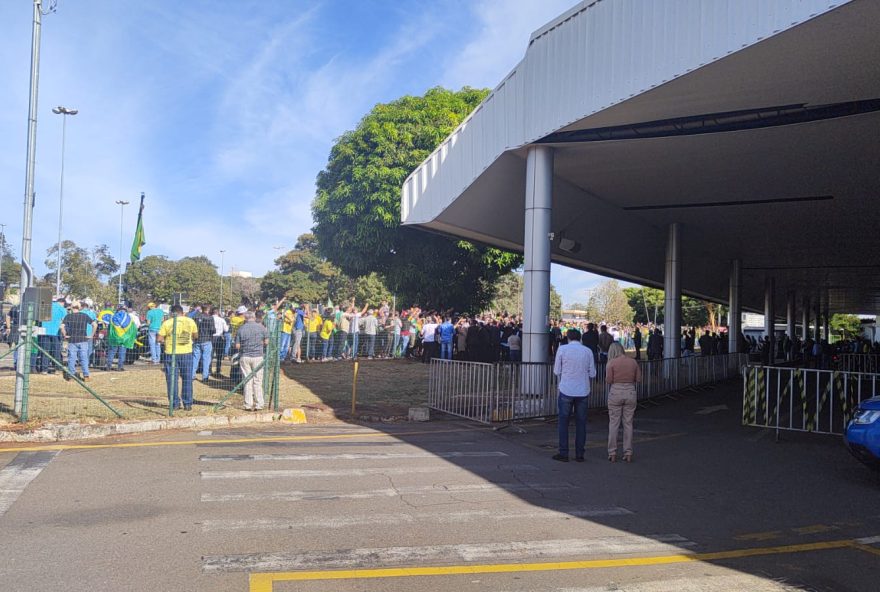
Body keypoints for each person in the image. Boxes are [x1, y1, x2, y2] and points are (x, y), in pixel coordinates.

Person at [553, 328, 596, 462]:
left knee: (563, 422)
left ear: (568, 338)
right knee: (581, 423)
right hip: (583, 390)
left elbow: (556, 371)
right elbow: (593, 373)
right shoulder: (587, 351)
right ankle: (579, 454)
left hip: (566, 389)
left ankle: (564, 453)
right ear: (580, 338)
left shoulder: (562, 349)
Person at [605, 342, 641, 463]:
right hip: (630, 392)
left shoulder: (611, 363)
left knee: (614, 423)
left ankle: (612, 452)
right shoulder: (633, 362)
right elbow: (639, 379)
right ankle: (628, 452)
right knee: (628, 423)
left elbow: (609, 380)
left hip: (616, 391)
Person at [157, 304, 198, 410]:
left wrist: (165, 340)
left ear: (172, 313)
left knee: (172, 379)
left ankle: (174, 403)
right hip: (186, 352)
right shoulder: (190, 321)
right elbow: (195, 335)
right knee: (187, 378)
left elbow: (159, 338)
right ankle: (188, 403)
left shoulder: (167, 323)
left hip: (171, 352)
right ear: (182, 312)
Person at [235, 311, 269, 411]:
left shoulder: (241, 329)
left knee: (247, 381)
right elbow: (267, 342)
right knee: (258, 381)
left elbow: (237, 345)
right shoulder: (261, 327)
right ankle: (259, 403)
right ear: (254, 317)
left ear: (245, 318)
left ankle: (248, 404)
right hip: (258, 356)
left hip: (245, 356)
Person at [60, 301, 96, 381]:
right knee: (84, 358)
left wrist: (65, 335)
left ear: (72, 308)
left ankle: (71, 375)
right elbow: (94, 324)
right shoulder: (84, 316)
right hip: (83, 339)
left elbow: (62, 327)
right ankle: (86, 375)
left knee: (72, 358)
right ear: (79, 308)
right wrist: (92, 335)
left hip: (72, 340)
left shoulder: (68, 316)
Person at [106, 306, 136, 371]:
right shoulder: (129, 318)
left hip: (114, 338)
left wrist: (109, 336)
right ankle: (120, 367)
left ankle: (108, 366)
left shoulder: (113, 317)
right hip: (124, 339)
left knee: (111, 352)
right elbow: (133, 329)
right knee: (122, 353)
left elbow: (109, 328)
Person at [192, 304, 215, 383]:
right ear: (208, 309)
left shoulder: (195, 317)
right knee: (206, 359)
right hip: (207, 339)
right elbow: (213, 330)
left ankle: (192, 374)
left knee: (195, 358)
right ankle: (205, 376)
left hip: (197, 339)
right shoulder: (210, 318)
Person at [211, 307, 228, 377]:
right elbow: (226, 330)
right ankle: (218, 369)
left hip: (211, 337)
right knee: (219, 355)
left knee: (210, 355)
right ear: (218, 312)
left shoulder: (209, 318)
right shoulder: (222, 320)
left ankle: (209, 369)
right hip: (219, 337)